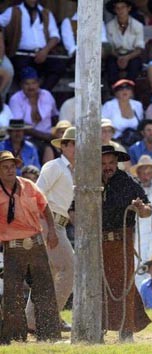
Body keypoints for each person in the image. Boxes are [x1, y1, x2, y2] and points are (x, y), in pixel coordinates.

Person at [0, 150, 60, 344]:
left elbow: (45, 207)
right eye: (5, 167)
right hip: (12, 247)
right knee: (13, 292)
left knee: (45, 290)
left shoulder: (28, 185)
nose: (10, 170)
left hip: (36, 244)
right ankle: (15, 336)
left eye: (12, 166)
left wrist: (51, 230)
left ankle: (49, 334)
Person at [25, 127, 76, 334]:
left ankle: (30, 321)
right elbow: (36, 195)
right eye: (72, 143)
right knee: (70, 268)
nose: (77, 148)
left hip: (57, 223)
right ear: (63, 146)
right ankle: (50, 316)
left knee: (49, 273)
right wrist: (47, 228)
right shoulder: (55, 166)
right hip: (50, 223)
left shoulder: (71, 170)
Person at [101, 145, 152, 342]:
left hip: (122, 241)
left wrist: (140, 208)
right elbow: (73, 211)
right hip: (97, 243)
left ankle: (126, 331)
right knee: (98, 286)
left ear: (117, 163)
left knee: (125, 285)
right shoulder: (90, 182)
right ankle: (98, 329)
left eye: (111, 163)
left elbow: (147, 210)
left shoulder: (127, 181)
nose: (108, 167)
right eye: (103, 163)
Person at [0, 0, 66, 90]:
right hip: (21, 55)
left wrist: (45, 51)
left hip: (43, 54)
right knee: (25, 71)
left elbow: (55, 36)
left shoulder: (46, 13)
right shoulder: (14, 11)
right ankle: (29, 95)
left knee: (59, 66)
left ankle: (43, 93)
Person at [8, 66, 58, 149]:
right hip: (26, 140)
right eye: (27, 84)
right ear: (21, 85)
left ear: (38, 83)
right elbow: (19, 126)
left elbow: (55, 116)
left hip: (49, 138)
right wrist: (46, 137)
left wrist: (56, 133)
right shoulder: (15, 99)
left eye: (34, 83)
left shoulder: (47, 95)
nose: (31, 87)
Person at [105, 0, 145, 86]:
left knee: (135, 65)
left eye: (123, 7)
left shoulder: (138, 25)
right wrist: (119, 57)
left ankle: (129, 89)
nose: (120, 10)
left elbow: (139, 48)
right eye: (117, 8)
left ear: (129, 8)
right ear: (115, 10)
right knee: (110, 65)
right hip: (115, 54)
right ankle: (114, 90)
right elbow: (109, 47)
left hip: (132, 55)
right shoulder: (109, 26)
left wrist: (127, 58)